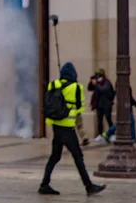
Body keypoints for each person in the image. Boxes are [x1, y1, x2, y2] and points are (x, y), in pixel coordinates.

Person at [40, 62, 106, 196]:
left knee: (55, 156)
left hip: (56, 126)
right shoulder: (77, 87)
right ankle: (89, 186)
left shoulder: (53, 85)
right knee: (78, 156)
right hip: (67, 127)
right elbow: (80, 108)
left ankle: (44, 184)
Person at [88, 68, 115, 136]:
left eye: (98, 76)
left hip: (107, 104)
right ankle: (100, 135)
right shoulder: (97, 83)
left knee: (108, 119)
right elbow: (89, 88)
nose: (97, 77)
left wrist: (96, 84)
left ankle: (112, 134)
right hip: (99, 104)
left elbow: (103, 89)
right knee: (99, 121)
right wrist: (91, 82)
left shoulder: (107, 82)